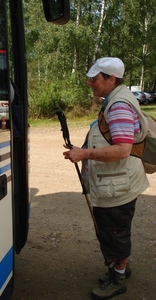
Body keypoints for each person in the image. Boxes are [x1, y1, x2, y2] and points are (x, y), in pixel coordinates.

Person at [62, 57, 149, 299]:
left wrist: (84, 154)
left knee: (115, 232)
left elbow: (122, 149)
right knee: (115, 230)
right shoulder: (115, 98)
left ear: (111, 78)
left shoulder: (119, 105)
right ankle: (121, 268)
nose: (90, 83)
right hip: (118, 182)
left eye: (94, 78)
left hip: (118, 185)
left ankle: (118, 279)